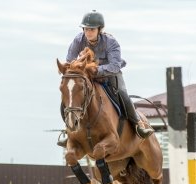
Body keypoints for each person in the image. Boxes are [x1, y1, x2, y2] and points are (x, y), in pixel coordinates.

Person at [57, 10, 154, 147]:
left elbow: (114, 66)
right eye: (86, 29)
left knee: (122, 93)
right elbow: (70, 61)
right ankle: (68, 130)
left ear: (99, 29)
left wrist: (94, 69)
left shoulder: (111, 42)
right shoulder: (78, 40)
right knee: (70, 96)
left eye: (92, 29)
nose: (88, 32)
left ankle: (138, 124)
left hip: (110, 75)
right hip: (88, 77)